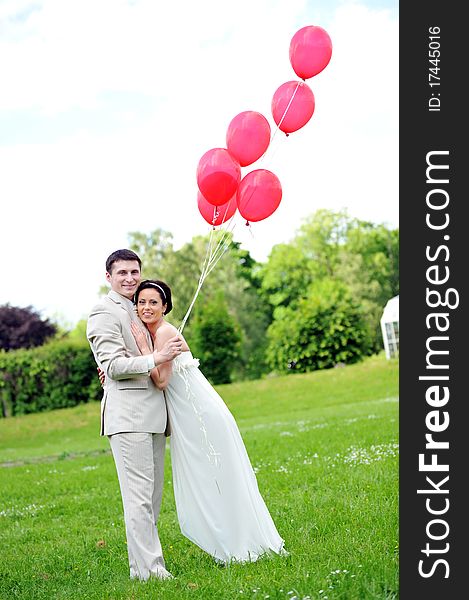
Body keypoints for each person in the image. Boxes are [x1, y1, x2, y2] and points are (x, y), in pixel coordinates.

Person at [130, 278, 286, 564]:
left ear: (165, 306)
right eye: (142, 302)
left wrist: (143, 350)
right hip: (190, 420)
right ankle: (229, 543)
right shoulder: (152, 334)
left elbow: (162, 381)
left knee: (220, 479)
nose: (147, 307)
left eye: (154, 302)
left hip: (202, 417)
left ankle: (242, 544)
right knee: (207, 481)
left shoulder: (163, 333)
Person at [86, 249, 184, 582]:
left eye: (135, 272)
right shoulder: (103, 312)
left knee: (151, 500)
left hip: (154, 415)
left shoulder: (140, 305)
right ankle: (151, 572)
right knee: (139, 500)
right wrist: (155, 359)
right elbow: (112, 365)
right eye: (122, 273)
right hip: (129, 419)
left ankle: (140, 568)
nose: (130, 278)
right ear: (109, 277)